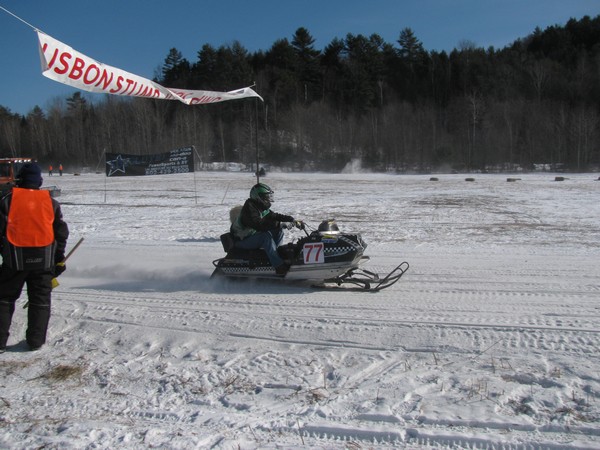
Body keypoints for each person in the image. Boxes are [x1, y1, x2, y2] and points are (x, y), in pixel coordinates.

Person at [0, 162, 69, 352]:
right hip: (43, 261)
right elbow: (61, 233)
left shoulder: (7, 200)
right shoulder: (51, 202)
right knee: (40, 300)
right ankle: (35, 342)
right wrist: (58, 259)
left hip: (14, 260)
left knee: (4, 299)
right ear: (39, 181)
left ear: (20, 179)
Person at [230, 183, 299, 275]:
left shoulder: (259, 207)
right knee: (265, 236)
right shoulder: (249, 209)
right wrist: (280, 224)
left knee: (278, 231)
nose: (268, 199)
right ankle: (279, 266)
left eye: (269, 196)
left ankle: (275, 256)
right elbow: (259, 224)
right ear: (258, 197)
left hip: (251, 236)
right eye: (266, 197)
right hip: (241, 240)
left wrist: (292, 220)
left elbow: (274, 216)